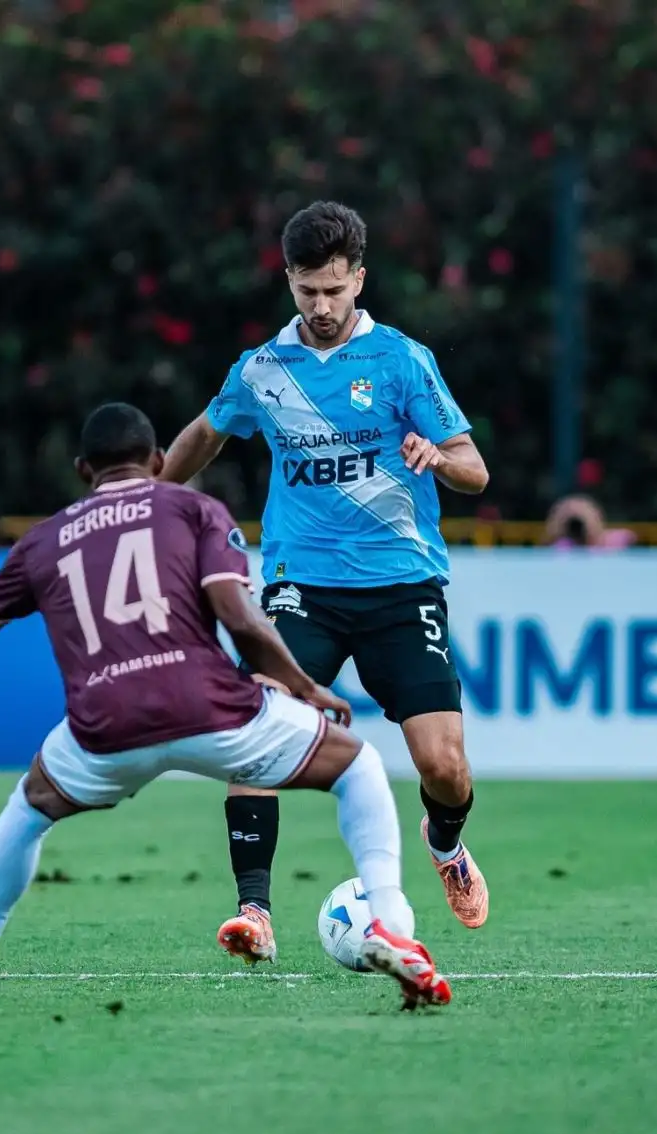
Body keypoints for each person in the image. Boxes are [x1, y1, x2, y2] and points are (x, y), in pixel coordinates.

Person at [0, 402, 449, 1017]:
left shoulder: (43, 540)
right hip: (208, 710)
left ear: (82, 470)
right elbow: (241, 620)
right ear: (157, 461)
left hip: (104, 729)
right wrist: (302, 685)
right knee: (357, 766)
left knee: (26, 813)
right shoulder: (193, 509)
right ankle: (389, 922)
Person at [155, 200, 491, 964]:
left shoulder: (402, 360)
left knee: (444, 765)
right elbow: (204, 435)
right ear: (289, 281)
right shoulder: (263, 369)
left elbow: (475, 469)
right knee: (256, 728)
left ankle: (445, 844)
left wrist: (437, 457)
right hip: (300, 584)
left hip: (402, 585)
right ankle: (254, 910)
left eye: (335, 289)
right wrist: (146, 495)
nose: (322, 305)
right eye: (308, 290)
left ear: (359, 279)